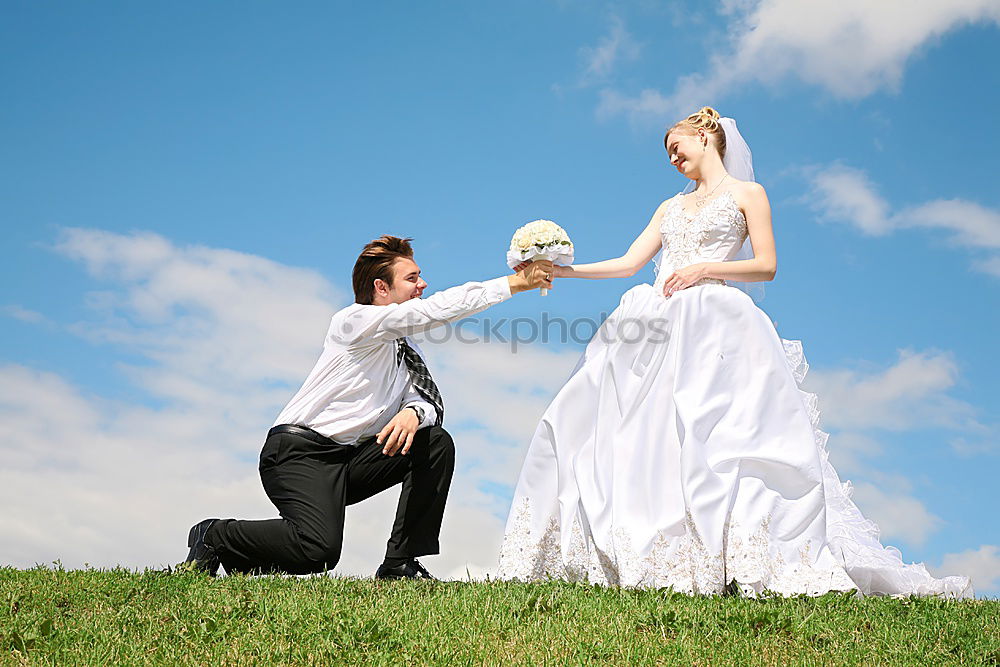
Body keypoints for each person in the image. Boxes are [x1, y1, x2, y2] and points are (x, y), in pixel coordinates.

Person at [496, 107, 971, 597]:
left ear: (705, 136)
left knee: (718, 438)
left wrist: (704, 269)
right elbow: (627, 264)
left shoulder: (748, 195)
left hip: (714, 322)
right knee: (640, 435)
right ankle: (649, 547)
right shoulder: (668, 208)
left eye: (676, 145)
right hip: (653, 318)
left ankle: (727, 552)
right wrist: (559, 271)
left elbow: (766, 265)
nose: (672, 156)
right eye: (667, 153)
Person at [185, 235, 553, 579]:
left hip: (347, 459)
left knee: (435, 442)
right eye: (412, 278)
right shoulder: (353, 321)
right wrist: (515, 283)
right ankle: (215, 534)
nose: (422, 285)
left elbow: (426, 400)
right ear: (382, 288)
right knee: (318, 552)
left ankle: (399, 564)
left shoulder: (403, 349)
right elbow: (432, 313)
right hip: (298, 454)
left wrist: (413, 413)